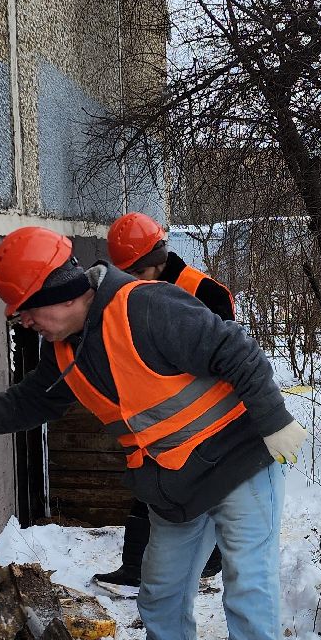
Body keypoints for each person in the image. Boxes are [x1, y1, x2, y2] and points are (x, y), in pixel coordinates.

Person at [0, 225, 305, 640]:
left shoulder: (145, 308)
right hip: (177, 484)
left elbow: (232, 348)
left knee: (248, 584)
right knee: (160, 587)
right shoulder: (63, 350)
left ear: (58, 293)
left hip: (239, 461)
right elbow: (31, 401)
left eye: (27, 310)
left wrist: (274, 420)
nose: (23, 321)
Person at [93, 212, 236, 593]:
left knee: (212, 493)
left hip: (201, 420)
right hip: (153, 418)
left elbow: (228, 358)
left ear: (154, 261)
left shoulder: (206, 293)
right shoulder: (132, 294)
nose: (128, 282)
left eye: (134, 272)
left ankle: (211, 561)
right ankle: (134, 568)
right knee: (147, 490)